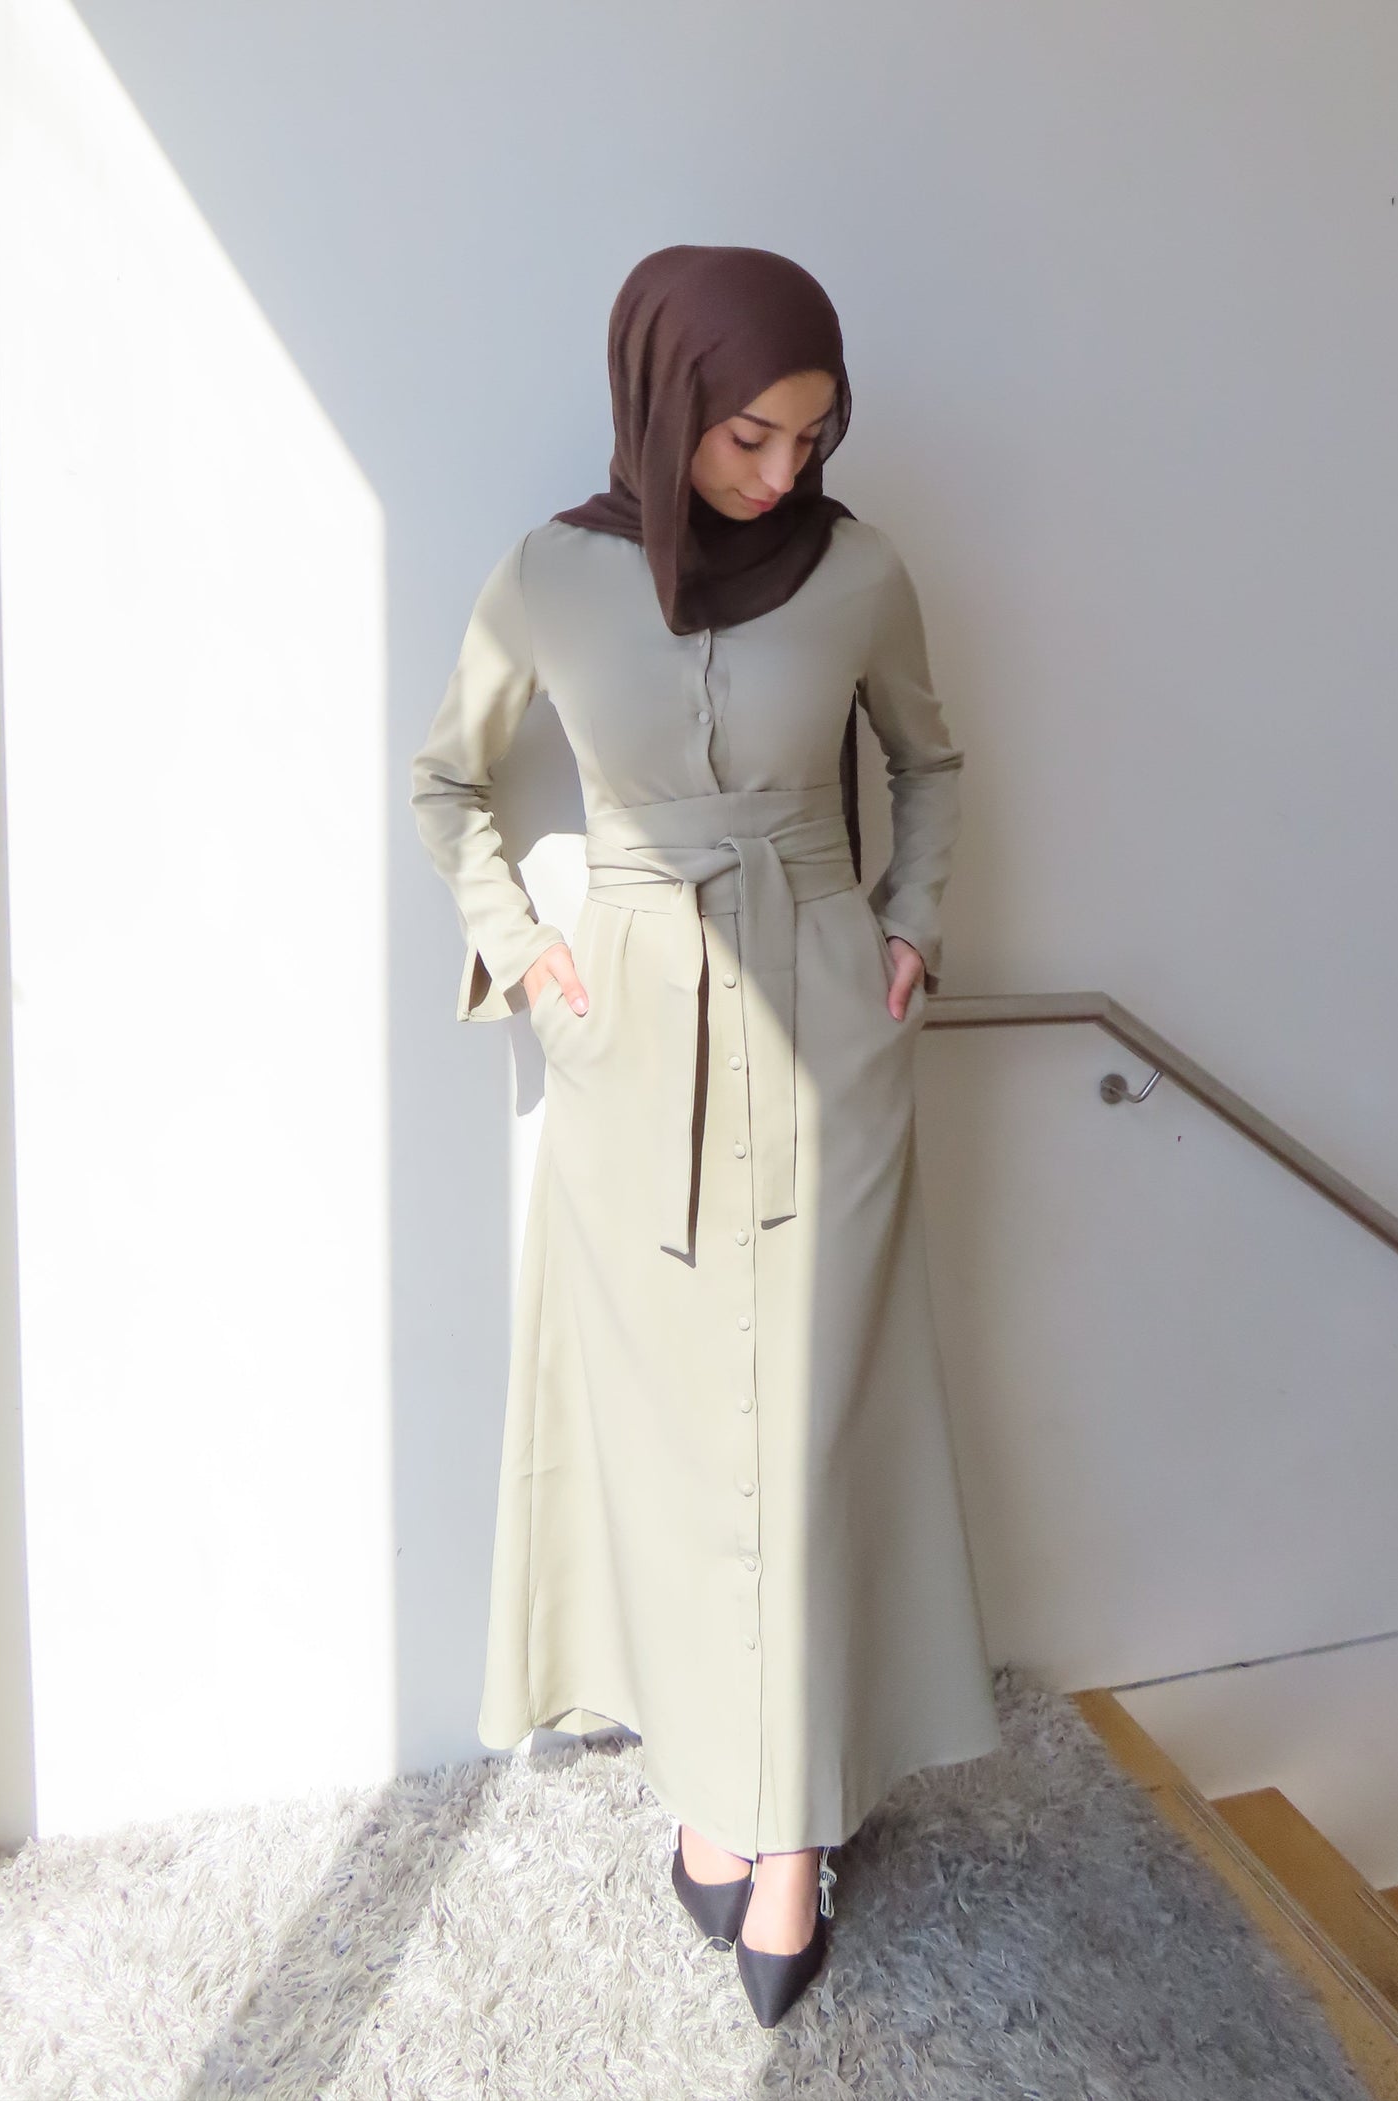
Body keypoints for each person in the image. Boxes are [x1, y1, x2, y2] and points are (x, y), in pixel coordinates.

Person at [410, 243, 1001, 2029]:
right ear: (667, 401)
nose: (779, 472)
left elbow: (930, 764)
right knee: (673, 1436)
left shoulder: (862, 571)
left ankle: (791, 1822)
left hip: (826, 1026)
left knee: (811, 1432)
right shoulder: (549, 577)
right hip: (632, 1038)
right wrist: (530, 957)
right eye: (749, 435)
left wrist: (911, 926)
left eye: (812, 436)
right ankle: (709, 1775)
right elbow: (446, 778)